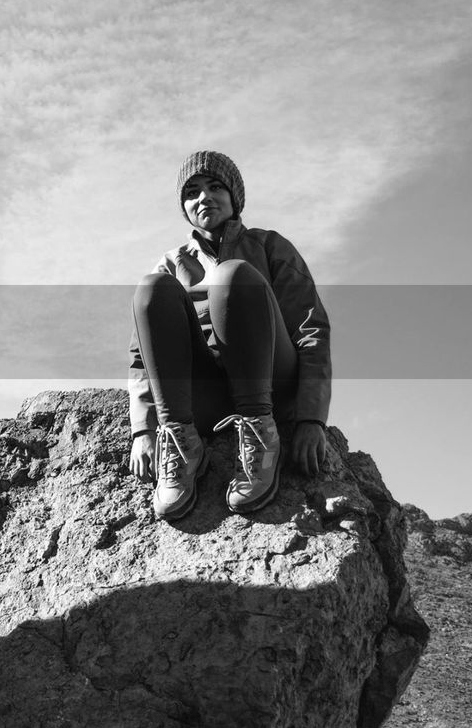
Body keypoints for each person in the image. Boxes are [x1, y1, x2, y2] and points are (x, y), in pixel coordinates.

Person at [128, 151, 331, 520]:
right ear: (184, 206)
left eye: (215, 186)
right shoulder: (174, 263)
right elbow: (143, 355)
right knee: (152, 288)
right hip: (202, 401)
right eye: (192, 192)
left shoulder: (270, 246)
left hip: (270, 386)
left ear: (234, 196)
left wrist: (310, 419)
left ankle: (261, 438)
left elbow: (310, 329)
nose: (203, 197)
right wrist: (144, 429)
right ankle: (181, 444)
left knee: (233, 275)